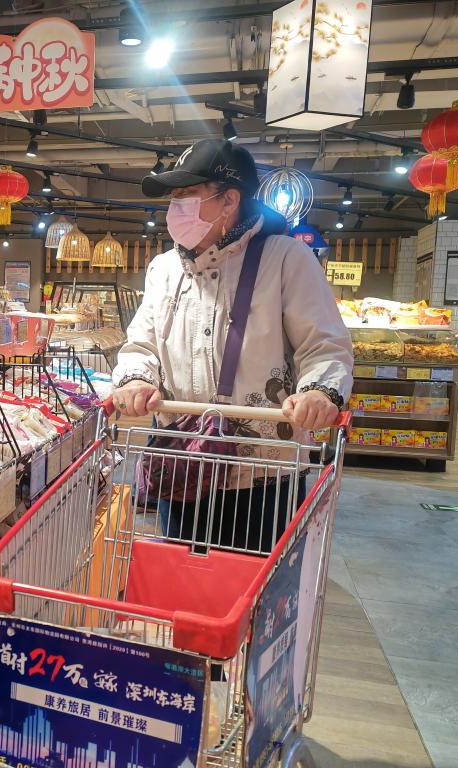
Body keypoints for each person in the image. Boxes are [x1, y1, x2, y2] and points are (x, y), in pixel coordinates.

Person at [111, 139, 353, 551]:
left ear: (229, 201)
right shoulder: (164, 269)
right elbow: (141, 345)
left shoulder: (287, 260)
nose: (176, 207)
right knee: (184, 588)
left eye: (187, 195)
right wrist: (134, 380)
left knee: (254, 590)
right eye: (173, 197)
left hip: (261, 468)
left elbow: (325, 346)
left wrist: (318, 391)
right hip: (183, 461)